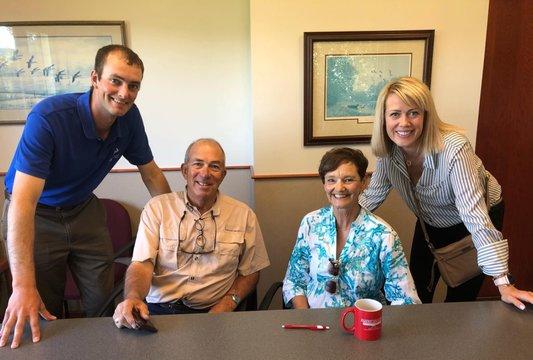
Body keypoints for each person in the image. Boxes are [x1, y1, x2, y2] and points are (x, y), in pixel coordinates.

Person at [1, 44, 171, 348]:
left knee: (105, 304)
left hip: (83, 210)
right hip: (37, 214)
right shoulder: (49, 118)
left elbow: (151, 173)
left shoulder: (130, 120)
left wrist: (175, 221)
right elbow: (23, 202)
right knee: (41, 308)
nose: (124, 92)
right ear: (95, 78)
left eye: (133, 85)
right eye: (115, 81)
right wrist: (22, 284)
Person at [359, 76, 533, 309]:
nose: (404, 123)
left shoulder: (453, 148)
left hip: (474, 218)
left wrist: (503, 283)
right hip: (429, 219)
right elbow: (372, 196)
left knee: (460, 296)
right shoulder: (388, 152)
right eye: (395, 114)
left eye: (413, 113)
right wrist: (330, 223)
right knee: (417, 287)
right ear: (383, 118)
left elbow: (475, 216)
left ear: (426, 116)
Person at [113, 139, 269, 328]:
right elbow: (142, 264)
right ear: (184, 170)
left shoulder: (244, 215)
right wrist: (133, 296)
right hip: (159, 312)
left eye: (214, 166)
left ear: (223, 175)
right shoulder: (157, 208)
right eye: (198, 164)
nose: (205, 173)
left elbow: (250, 272)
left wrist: (227, 305)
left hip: (216, 312)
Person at [283, 148, 420, 309]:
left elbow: (405, 298)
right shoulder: (311, 223)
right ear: (324, 184)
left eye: (348, 180)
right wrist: (306, 318)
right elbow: (294, 281)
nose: (339, 188)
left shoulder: (383, 235)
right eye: (331, 180)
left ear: (364, 182)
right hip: (314, 325)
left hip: (363, 326)